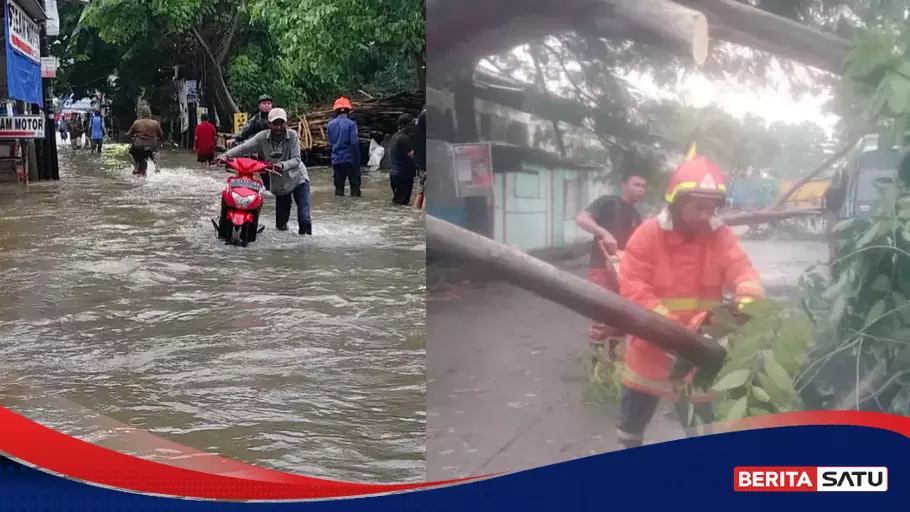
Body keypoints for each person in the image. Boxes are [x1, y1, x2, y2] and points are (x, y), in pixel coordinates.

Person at [616, 156, 765, 449]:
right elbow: (633, 289)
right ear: (677, 201)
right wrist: (675, 331)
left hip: (699, 350)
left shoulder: (719, 235)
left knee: (701, 428)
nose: (705, 214)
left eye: (711, 207)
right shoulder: (647, 235)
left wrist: (746, 306)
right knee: (632, 424)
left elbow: (743, 271)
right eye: (698, 206)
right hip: (652, 348)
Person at [575, 172, 647, 361]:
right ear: (624, 185)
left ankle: (614, 370)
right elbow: (582, 219)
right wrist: (604, 232)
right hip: (601, 269)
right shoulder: (608, 202)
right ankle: (595, 369)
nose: (640, 190)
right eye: (636, 184)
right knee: (601, 319)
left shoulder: (635, 215)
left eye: (643, 186)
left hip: (623, 272)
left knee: (621, 321)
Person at [217, 108, 312, 235]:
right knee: (280, 226)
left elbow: (296, 160)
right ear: (269, 124)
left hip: (298, 178)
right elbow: (244, 148)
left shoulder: (293, 136)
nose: (278, 127)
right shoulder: (262, 137)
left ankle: (305, 248)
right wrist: (225, 156)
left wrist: (282, 165)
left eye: (281, 123)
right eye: (275, 124)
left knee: (304, 216)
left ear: (286, 124)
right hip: (281, 184)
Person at [231, 94, 274, 190]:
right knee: (265, 175)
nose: (267, 105)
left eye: (269, 103)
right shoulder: (255, 120)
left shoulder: (276, 118)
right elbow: (245, 130)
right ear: (259, 106)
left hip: (276, 150)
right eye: (264, 103)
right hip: (262, 151)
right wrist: (236, 138)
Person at [327, 96, 362, 197]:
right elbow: (354, 144)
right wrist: (357, 160)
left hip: (336, 160)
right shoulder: (351, 124)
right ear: (348, 110)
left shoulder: (330, 125)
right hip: (350, 159)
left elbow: (330, 141)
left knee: (338, 189)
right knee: (355, 188)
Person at [388, 114, 417, 205]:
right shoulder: (405, 139)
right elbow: (413, 156)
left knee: (398, 203)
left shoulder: (396, 136)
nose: (414, 126)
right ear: (405, 125)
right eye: (412, 124)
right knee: (401, 203)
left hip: (395, 174)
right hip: (403, 176)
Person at [126, 106, 164, 174]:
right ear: (150, 113)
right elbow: (161, 135)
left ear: (142, 114)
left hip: (139, 146)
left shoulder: (136, 123)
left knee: (130, 152)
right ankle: (157, 167)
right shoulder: (155, 123)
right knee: (157, 152)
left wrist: (128, 135)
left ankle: (136, 168)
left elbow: (129, 134)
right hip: (152, 146)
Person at [414, 106, 427, 210]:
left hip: (420, 160)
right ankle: (422, 220)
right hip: (429, 160)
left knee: (420, 191)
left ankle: (416, 216)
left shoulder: (421, 115)